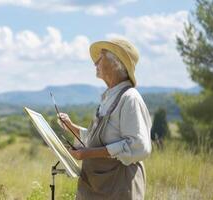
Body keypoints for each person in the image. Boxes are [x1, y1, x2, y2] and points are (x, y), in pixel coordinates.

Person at [57, 38, 152, 200]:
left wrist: (88, 154)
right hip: (99, 186)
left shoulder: (130, 98)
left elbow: (139, 147)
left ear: (116, 63)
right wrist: (71, 126)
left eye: (100, 58)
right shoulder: (109, 97)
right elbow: (99, 141)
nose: (95, 63)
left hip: (119, 187)